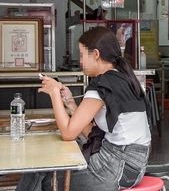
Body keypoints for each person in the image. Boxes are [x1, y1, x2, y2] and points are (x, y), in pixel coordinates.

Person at [17, 27, 151, 191]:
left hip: (115, 168)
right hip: (131, 167)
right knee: (41, 170)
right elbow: (92, 134)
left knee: (46, 180)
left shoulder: (102, 83)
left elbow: (68, 133)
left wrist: (53, 93)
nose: (80, 61)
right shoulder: (121, 78)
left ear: (95, 54)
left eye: (82, 55)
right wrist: (71, 104)